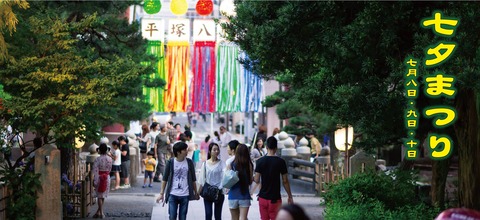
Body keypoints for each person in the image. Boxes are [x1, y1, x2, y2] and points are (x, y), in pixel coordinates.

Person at [157, 142, 200, 220]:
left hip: (185, 194)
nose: (187, 151)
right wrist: (161, 193)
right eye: (185, 150)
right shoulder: (170, 162)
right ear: (178, 152)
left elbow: (193, 179)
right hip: (172, 194)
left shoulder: (189, 162)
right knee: (172, 217)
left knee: (182, 218)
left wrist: (196, 192)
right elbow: (165, 179)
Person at [254, 136, 293, 220]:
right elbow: (285, 181)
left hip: (262, 198)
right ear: (276, 148)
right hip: (275, 199)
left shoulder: (260, 161)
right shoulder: (281, 162)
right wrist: (290, 195)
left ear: (266, 147)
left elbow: (256, 180)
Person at [198, 143, 225, 220]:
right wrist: (198, 193)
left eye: (217, 149)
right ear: (210, 151)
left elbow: (225, 177)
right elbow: (201, 180)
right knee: (208, 214)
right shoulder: (205, 164)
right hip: (208, 193)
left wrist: (225, 189)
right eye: (214, 149)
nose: (216, 151)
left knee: (218, 216)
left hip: (219, 193)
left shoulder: (222, 164)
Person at [227, 144, 253, 220]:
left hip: (232, 195)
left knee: (234, 218)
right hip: (244, 195)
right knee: (243, 218)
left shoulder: (231, 165)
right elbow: (250, 181)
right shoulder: (249, 165)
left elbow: (227, 180)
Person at [92, 143, 113, 218]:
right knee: (103, 196)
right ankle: (99, 212)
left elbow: (95, 170)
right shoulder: (110, 159)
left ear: (100, 150)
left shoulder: (98, 159)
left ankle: (101, 213)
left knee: (99, 196)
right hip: (106, 177)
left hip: (99, 177)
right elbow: (110, 169)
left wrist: (95, 180)